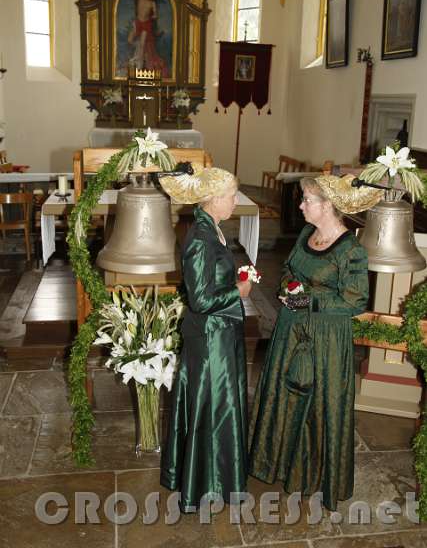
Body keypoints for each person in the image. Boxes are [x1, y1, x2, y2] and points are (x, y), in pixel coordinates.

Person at [248, 174, 383, 512]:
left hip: (325, 340)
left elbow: (355, 301)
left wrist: (308, 300)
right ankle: (276, 463)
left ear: (327, 206)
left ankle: (313, 475)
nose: (300, 206)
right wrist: (288, 288)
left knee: (317, 405)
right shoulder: (306, 234)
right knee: (283, 395)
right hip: (290, 330)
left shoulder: (351, 250)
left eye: (307, 200)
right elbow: (288, 269)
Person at [159, 166, 252, 512]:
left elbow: (210, 281)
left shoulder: (212, 227)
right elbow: (200, 300)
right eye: (231, 196)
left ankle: (220, 476)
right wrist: (238, 290)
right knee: (214, 408)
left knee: (219, 407)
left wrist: (233, 278)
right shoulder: (200, 238)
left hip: (221, 332)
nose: (235, 202)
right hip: (211, 338)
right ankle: (207, 484)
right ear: (212, 199)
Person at [128, 0, 168, 77]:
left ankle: (139, 65)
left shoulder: (152, 3)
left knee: (142, 44)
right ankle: (137, 56)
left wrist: (154, 16)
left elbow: (155, 14)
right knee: (129, 40)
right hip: (138, 22)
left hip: (146, 24)